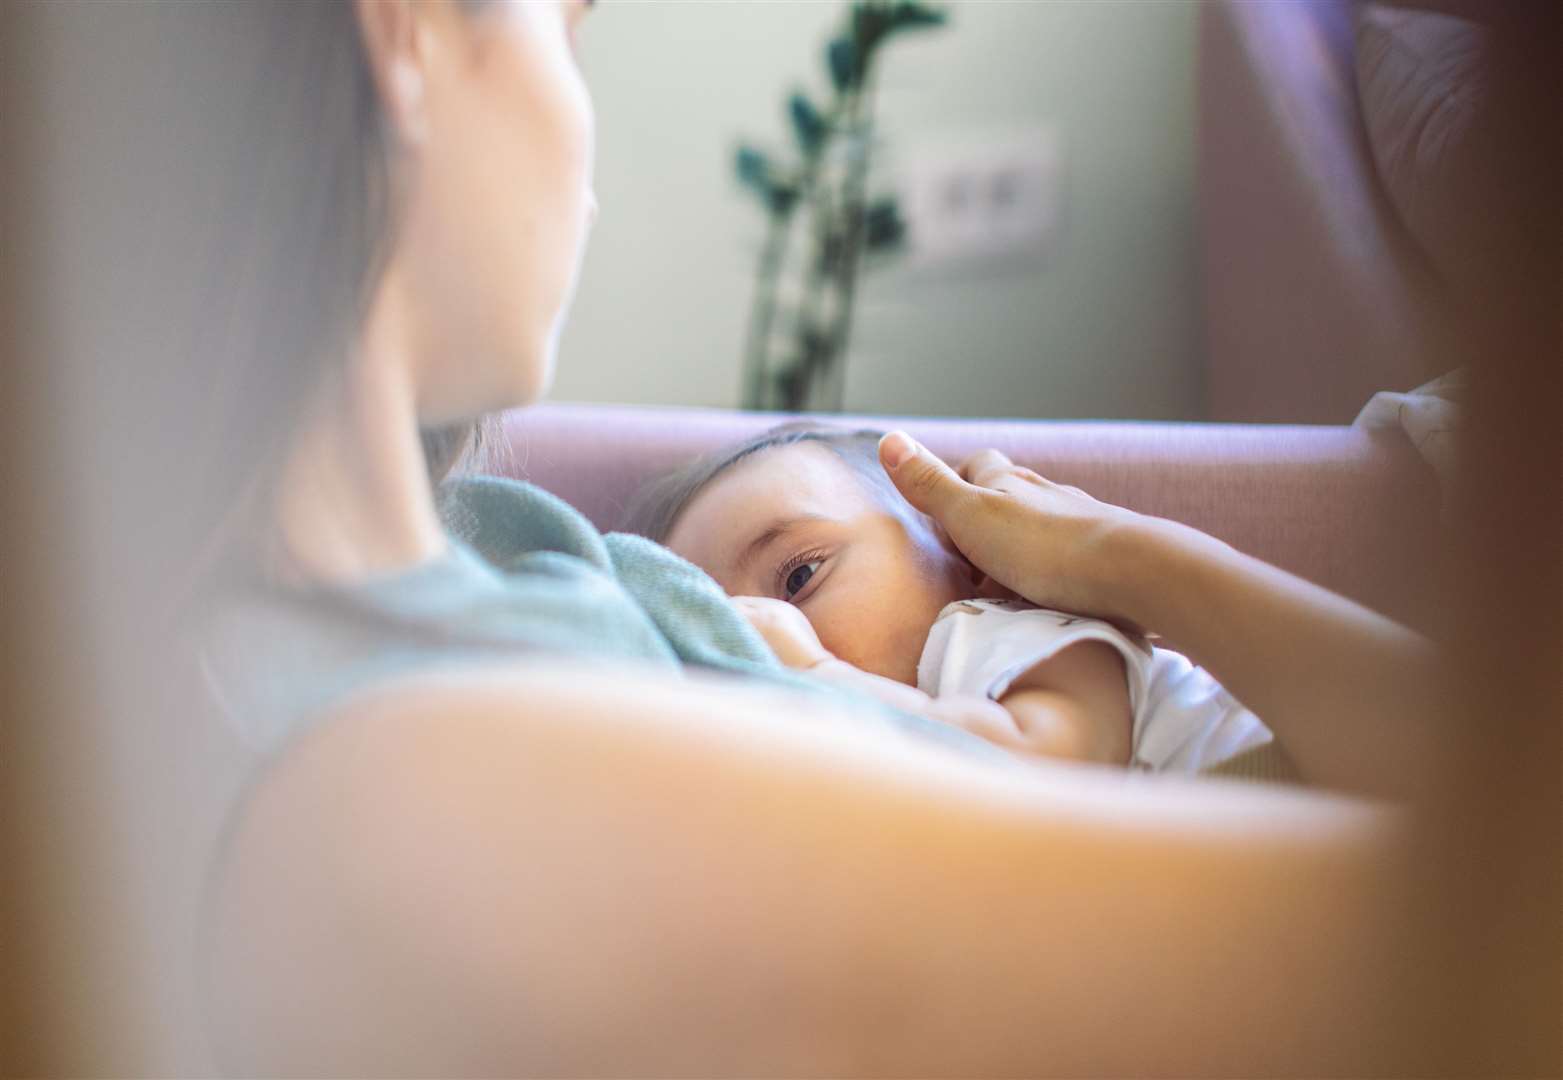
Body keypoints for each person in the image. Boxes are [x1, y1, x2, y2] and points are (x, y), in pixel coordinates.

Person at [189, 0, 1475, 1073]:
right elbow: (1503, 920)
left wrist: (1126, 559)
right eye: (566, 23)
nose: (583, 120)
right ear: (404, 32)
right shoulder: (432, 765)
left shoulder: (504, 580)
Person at [627, 423, 1286, 776]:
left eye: (799, 578)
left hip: (1284, 796)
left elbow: (1048, 773)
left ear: (964, 554)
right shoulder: (848, 753)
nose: (765, 631)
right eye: (724, 627)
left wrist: (813, 673)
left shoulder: (991, 634)